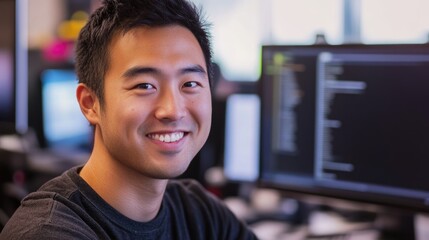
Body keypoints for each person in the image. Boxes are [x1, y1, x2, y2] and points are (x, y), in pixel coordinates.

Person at [0, 0, 258, 239]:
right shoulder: (49, 232)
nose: (173, 110)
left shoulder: (200, 214)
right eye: (145, 86)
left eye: (190, 83)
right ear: (90, 103)